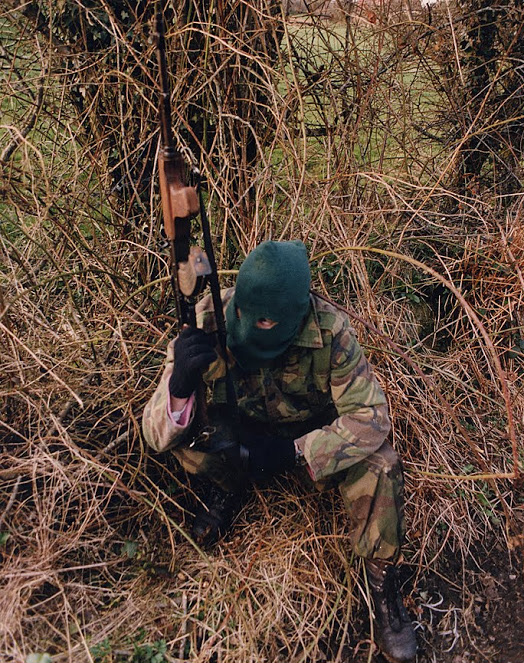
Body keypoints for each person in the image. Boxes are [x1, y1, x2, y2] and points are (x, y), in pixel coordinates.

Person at [142, 240, 417, 662]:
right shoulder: (206, 319)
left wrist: (295, 452)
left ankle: (383, 584)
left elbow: (371, 416)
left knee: (381, 465)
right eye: (244, 315)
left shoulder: (330, 330)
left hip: (310, 442)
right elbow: (154, 435)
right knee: (187, 442)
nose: (249, 323)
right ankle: (227, 488)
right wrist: (178, 388)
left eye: (267, 321)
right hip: (239, 436)